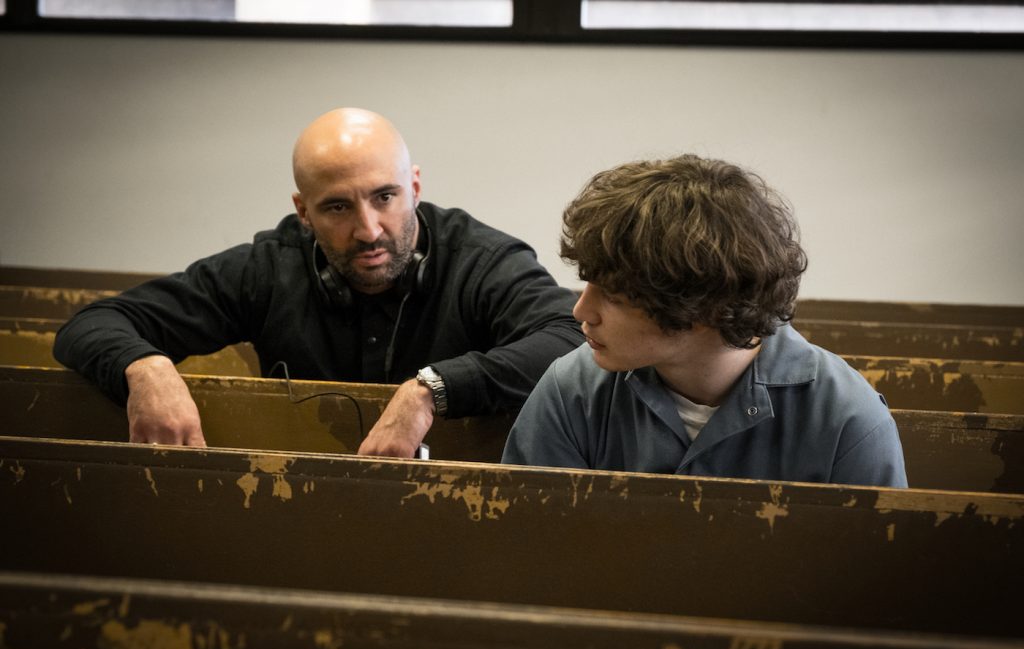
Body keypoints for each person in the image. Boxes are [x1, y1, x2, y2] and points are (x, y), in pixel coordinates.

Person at [54, 108, 583, 458]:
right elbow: (93, 323)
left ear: (414, 187)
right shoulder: (266, 269)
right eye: (337, 207)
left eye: (384, 196)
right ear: (302, 211)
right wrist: (144, 368)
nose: (369, 229)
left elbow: (569, 334)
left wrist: (431, 390)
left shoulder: (481, 260)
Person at [501, 154, 907, 487]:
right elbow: (527, 554)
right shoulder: (570, 390)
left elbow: (875, 577)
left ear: (701, 307)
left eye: (616, 297)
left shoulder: (846, 417)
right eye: (587, 286)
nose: (581, 312)